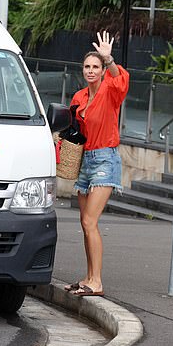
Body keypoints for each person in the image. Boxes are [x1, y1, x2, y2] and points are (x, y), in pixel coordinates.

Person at [64, 31, 129, 297]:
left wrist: (109, 58)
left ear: (102, 71)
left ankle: (97, 282)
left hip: (105, 158)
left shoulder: (110, 90)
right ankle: (89, 277)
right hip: (86, 160)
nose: (91, 71)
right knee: (84, 222)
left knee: (90, 221)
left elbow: (122, 80)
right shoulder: (79, 97)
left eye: (96, 67)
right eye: (88, 67)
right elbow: (74, 130)